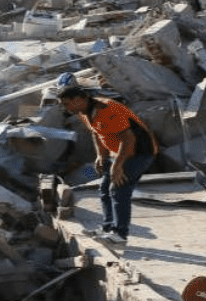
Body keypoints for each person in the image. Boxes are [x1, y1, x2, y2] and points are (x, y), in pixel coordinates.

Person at [58, 86, 158, 245]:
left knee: (118, 189)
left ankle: (119, 234)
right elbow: (96, 133)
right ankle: (107, 228)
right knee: (104, 189)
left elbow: (128, 139)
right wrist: (100, 155)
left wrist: (117, 165)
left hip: (139, 153)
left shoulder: (107, 109)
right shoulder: (84, 112)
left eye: (67, 103)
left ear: (79, 100)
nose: (65, 108)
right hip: (116, 153)